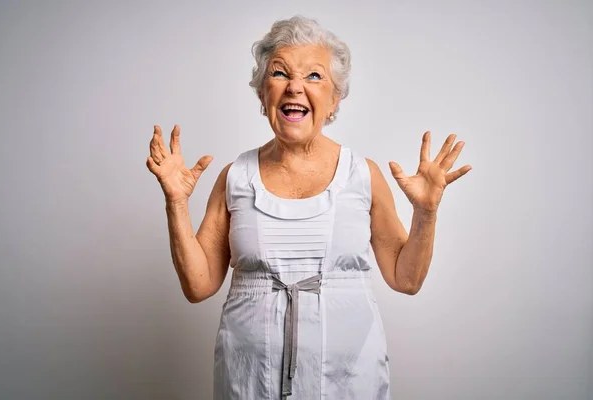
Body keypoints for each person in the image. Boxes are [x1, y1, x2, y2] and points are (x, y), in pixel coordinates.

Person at [146, 15, 471, 400]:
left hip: (349, 382)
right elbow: (198, 286)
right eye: (280, 73)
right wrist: (177, 202)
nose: (295, 87)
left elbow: (406, 279)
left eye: (314, 76)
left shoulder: (361, 175)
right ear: (262, 93)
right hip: (248, 382)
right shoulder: (235, 177)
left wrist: (426, 213)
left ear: (334, 100)